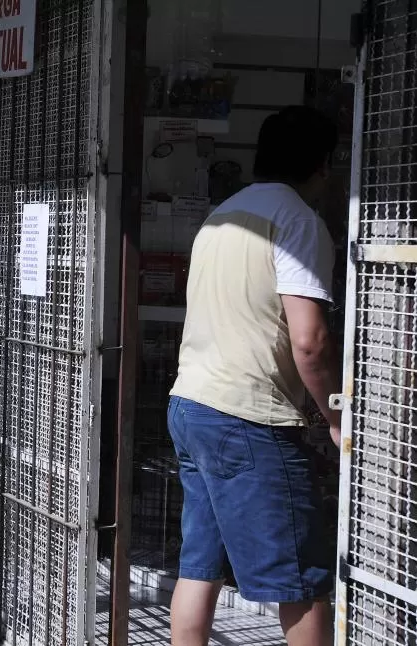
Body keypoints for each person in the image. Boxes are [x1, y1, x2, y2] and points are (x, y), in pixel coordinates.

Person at [167, 106, 340, 646]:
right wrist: (336, 416)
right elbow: (309, 340)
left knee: (200, 566)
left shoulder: (222, 216)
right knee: (303, 581)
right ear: (323, 164)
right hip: (249, 417)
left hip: (191, 404)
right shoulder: (298, 221)